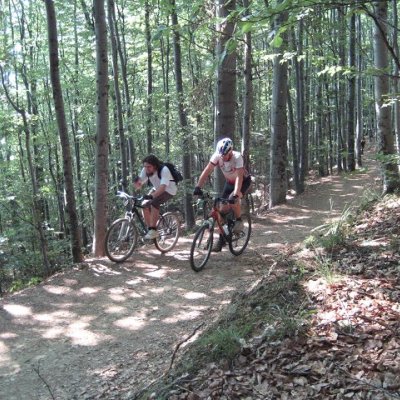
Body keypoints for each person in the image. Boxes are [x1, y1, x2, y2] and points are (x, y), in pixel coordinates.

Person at [193, 138, 251, 251]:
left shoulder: (237, 157)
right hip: (229, 183)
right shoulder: (217, 156)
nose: (222, 157)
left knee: (233, 199)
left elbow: (239, 178)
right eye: (221, 155)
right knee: (221, 209)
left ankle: (239, 220)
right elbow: (206, 171)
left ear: (230, 151)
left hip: (243, 182)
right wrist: (198, 187)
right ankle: (222, 238)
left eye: (225, 155)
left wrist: (235, 194)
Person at [133, 154, 177, 240]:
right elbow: (140, 182)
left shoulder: (164, 170)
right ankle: (150, 229)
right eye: (145, 167)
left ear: (155, 166)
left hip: (169, 190)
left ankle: (153, 230)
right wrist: (137, 183)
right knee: (144, 205)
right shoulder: (146, 170)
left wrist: (152, 196)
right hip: (157, 188)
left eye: (149, 167)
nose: (146, 169)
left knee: (155, 202)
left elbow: (163, 187)